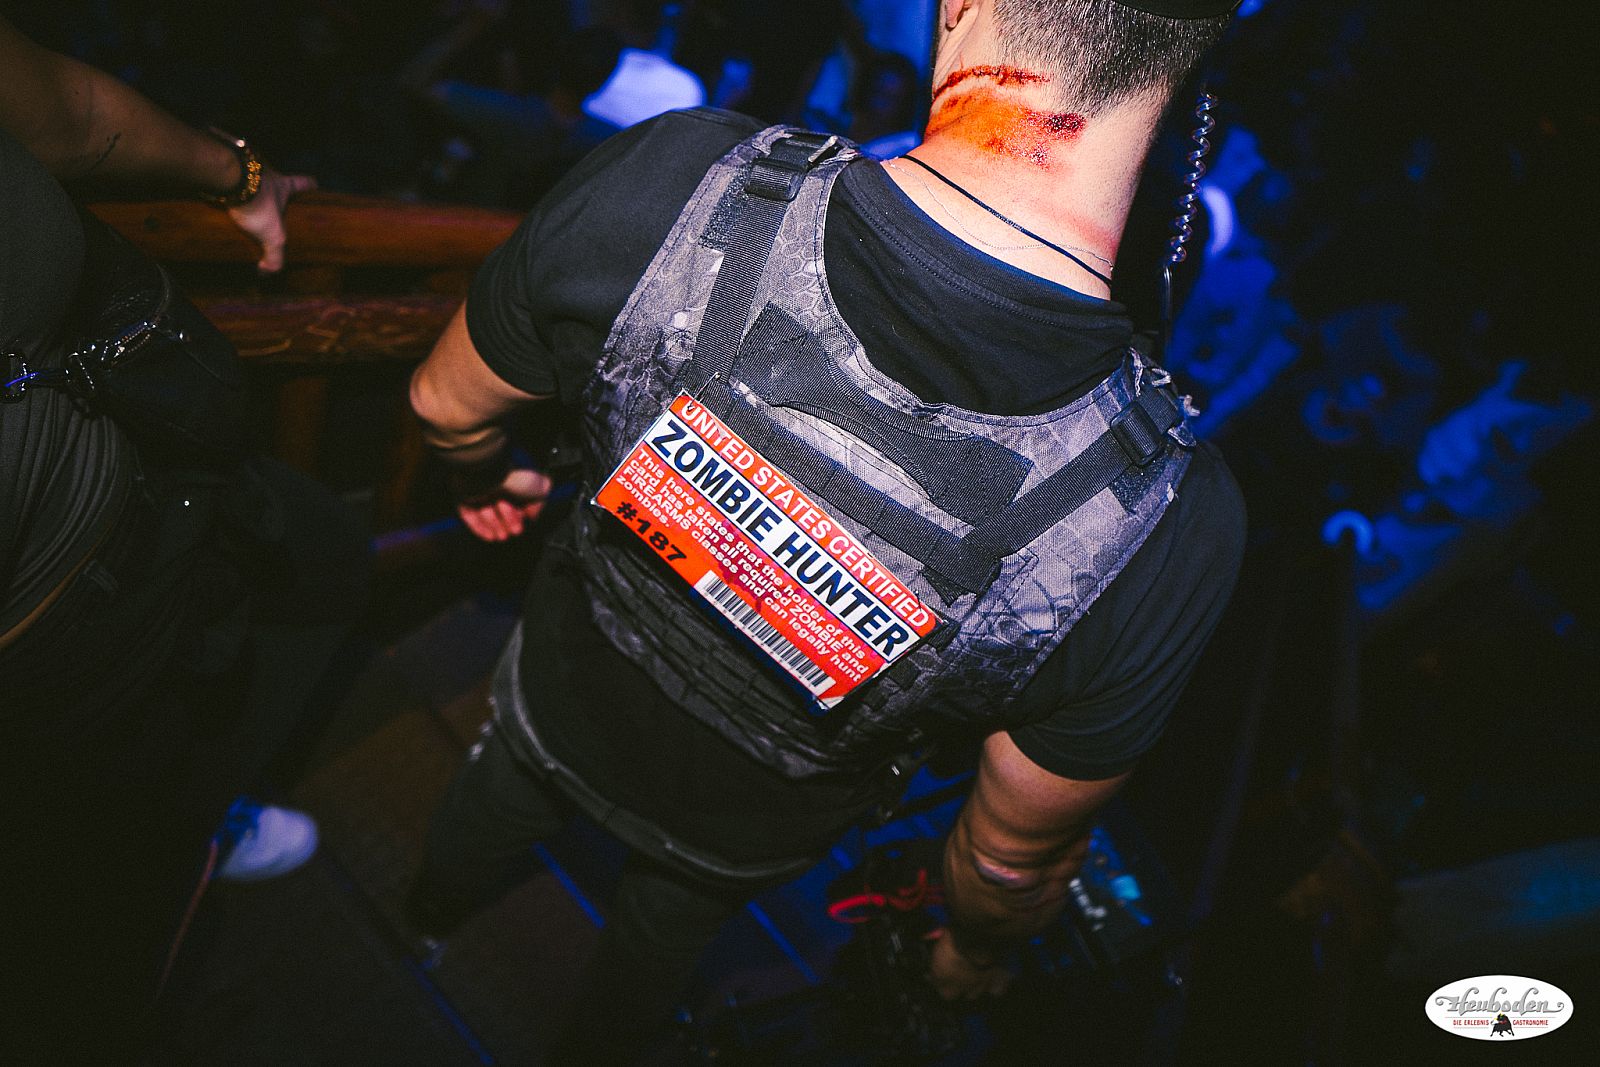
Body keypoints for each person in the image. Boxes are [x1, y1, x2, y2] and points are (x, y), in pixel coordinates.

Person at [408, 0, 1245, 1058]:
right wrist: (971, 951)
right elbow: (1003, 862)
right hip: (743, 826)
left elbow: (443, 405)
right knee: (660, 939)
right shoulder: (1167, 521)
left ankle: (423, 929)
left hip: (565, 690)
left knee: (495, 800)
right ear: (1177, 90)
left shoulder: (679, 182)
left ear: (961, 8)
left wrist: (493, 473)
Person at [0, 15, 363, 1061]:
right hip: (51, 660)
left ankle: (194, 813)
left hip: (158, 477)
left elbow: (68, 112)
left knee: (321, 563)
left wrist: (238, 175)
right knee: (98, 916)